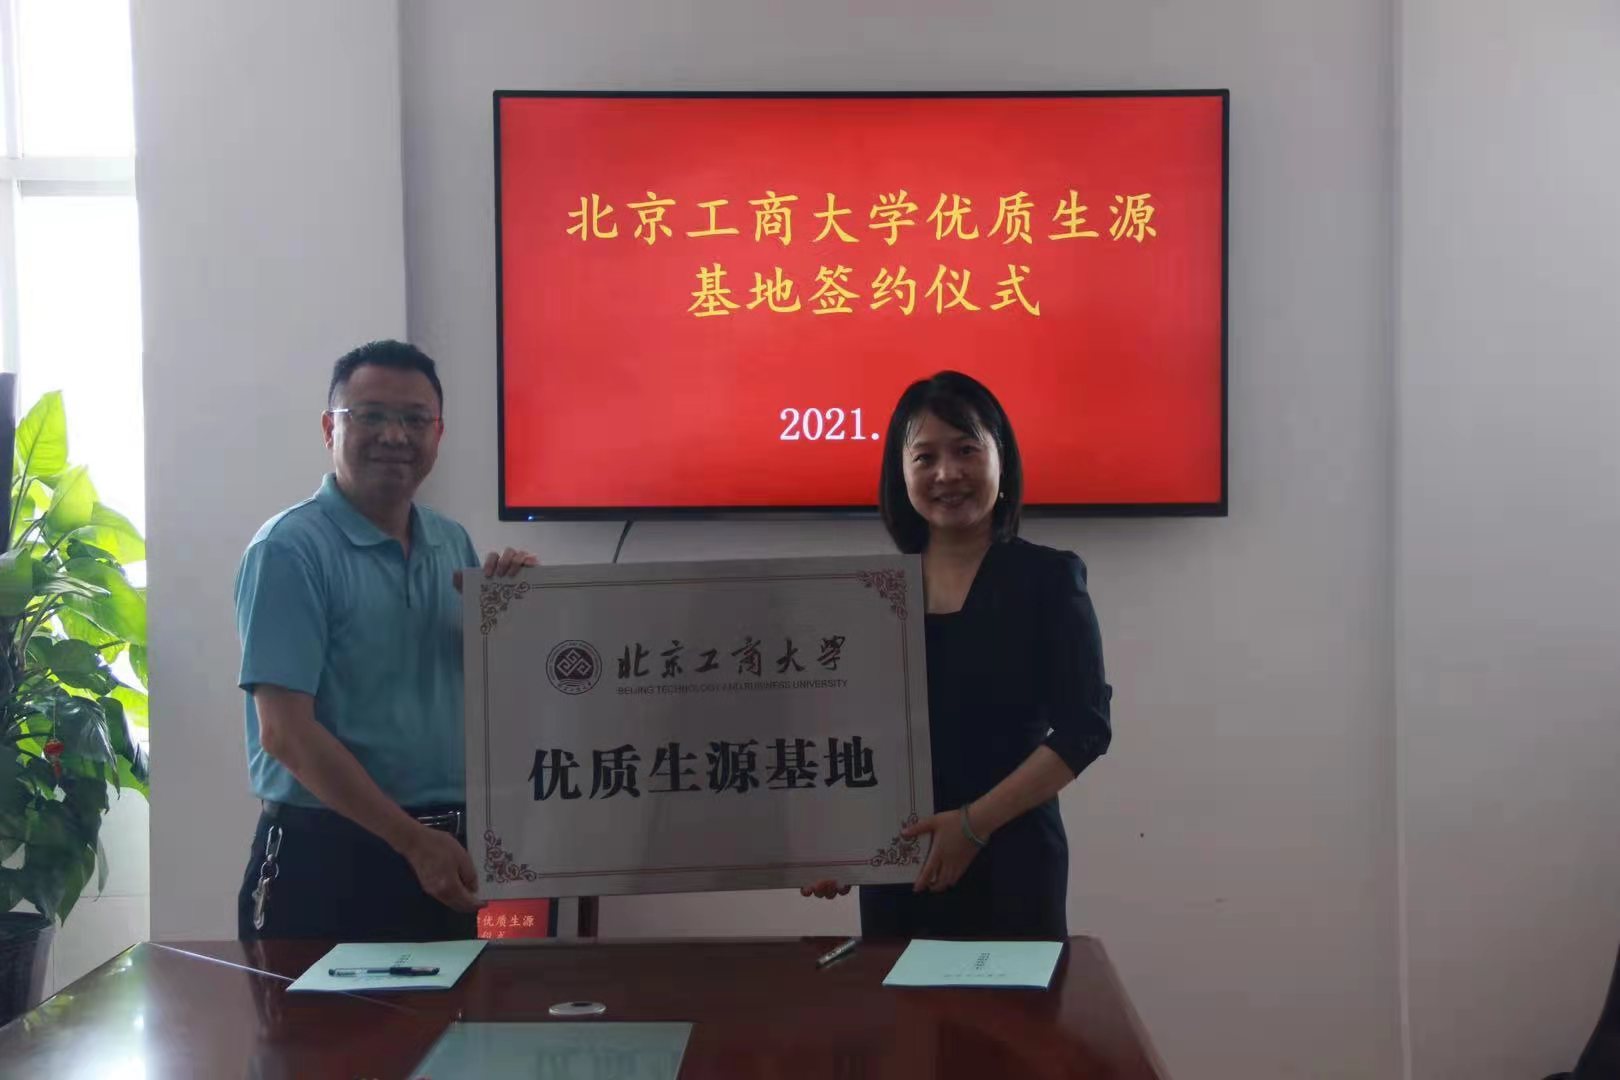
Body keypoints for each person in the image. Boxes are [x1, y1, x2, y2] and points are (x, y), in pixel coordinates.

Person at [233, 340, 536, 941]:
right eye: (370, 416)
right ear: (330, 428)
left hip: (445, 853)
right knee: (316, 1011)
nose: (395, 435)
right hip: (330, 857)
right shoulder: (289, 550)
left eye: (415, 419)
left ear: (438, 433)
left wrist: (522, 614)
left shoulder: (451, 542)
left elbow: (475, 692)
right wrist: (411, 841)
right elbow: (284, 732)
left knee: (455, 1007)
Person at [803, 371, 1112, 938]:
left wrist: (972, 826)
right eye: (925, 457)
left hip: (1013, 860)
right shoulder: (870, 593)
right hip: (902, 866)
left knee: (1012, 1000)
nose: (947, 473)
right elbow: (854, 736)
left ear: (1001, 459)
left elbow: (1085, 729)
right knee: (899, 998)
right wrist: (840, 842)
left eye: (966, 450)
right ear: (900, 474)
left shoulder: (1048, 578)